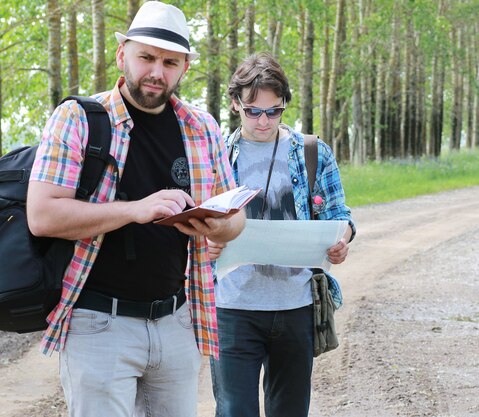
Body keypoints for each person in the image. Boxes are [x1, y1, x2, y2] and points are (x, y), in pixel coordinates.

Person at [26, 2, 245, 416]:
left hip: (178, 320)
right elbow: (43, 216)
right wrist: (133, 210)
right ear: (121, 54)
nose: (156, 72)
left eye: (169, 62)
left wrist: (214, 228)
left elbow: (235, 220)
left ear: (185, 68)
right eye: (145, 57)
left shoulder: (202, 128)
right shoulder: (78, 118)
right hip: (98, 323)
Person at [208, 51, 356, 417]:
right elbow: (194, 223)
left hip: (296, 308)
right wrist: (204, 244)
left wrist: (343, 240)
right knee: (234, 411)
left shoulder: (312, 152)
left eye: (274, 111)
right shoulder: (216, 155)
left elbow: (341, 215)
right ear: (234, 105)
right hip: (232, 309)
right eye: (253, 111)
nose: (263, 121)